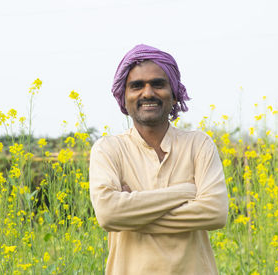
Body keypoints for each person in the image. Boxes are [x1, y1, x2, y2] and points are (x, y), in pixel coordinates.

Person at [89, 44, 228, 275]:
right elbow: (108, 214)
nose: (147, 93)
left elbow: (215, 212)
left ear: (174, 94)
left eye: (158, 84)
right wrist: (185, 191)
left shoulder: (199, 144)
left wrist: (133, 213)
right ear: (124, 97)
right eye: (136, 86)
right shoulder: (108, 149)